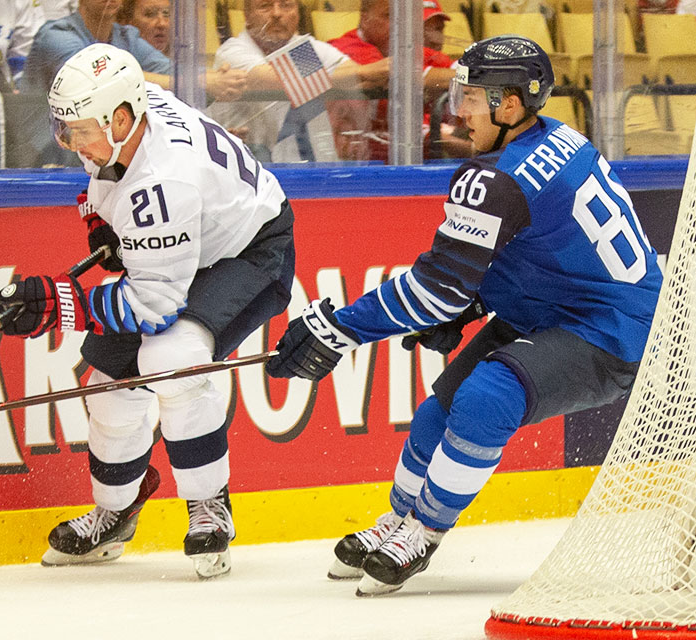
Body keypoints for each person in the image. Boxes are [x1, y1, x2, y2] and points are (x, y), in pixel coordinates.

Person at [265, 35, 662, 597]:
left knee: (486, 400)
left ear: (510, 104)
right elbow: (544, 248)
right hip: (556, 305)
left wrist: (340, 328)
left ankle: (424, 531)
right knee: (440, 411)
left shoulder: (497, 178)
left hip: (607, 327)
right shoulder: (557, 139)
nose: (457, 109)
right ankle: (400, 518)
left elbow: (435, 291)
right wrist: (475, 300)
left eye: (471, 96)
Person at [0, 42, 295, 578]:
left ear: (123, 118)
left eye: (81, 129)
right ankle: (115, 512)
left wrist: (59, 305)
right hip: (191, 243)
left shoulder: (163, 180)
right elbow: (111, 202)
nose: (69, 142)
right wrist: (106, 233)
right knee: (109, 382)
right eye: (64, 127)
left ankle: (210, 505)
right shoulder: (127, 126)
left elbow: (154, 305)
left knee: (170, 355)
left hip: (252, 251)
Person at [207, 0, 389, 163]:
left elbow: (354, 77)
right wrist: (363, 72)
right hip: (247, 166)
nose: (277, 13)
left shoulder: (303, 47)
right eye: (265, 6)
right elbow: (276, 80)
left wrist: (380, 70)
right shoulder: (234, 51)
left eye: (286, 5)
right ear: (247, 15)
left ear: (297, 12)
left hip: (299, 168)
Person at [327, 0, 469, 161]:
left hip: (396, 159)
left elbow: (453, 67)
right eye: (389, 16)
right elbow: (407, 76)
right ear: (365, 19)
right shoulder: (347, 48)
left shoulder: (401, 46)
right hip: (355, 165)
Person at [22, 0, 246, 103]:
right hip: (43, 158)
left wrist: (216, 77)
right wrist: (199, 82)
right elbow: (102, 76)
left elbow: (170, 70)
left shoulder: (127, 36)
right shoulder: (55, 35)